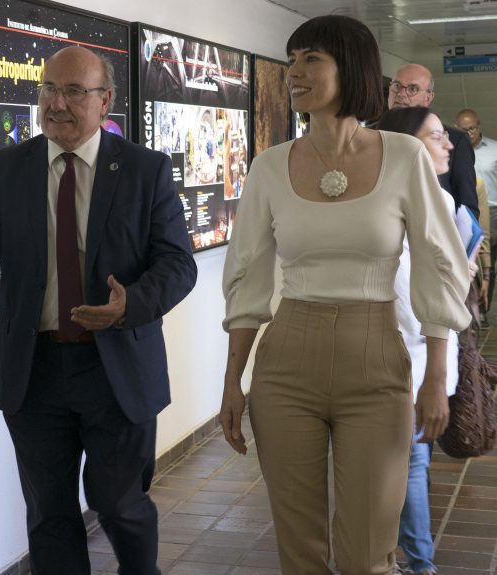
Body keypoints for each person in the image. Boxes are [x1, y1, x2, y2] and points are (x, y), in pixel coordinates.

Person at [0, 46, 197, 575]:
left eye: (73, 92)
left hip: (116, 370)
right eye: (47, 89)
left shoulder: (144, 170)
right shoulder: (10, 167)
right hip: (34, 371)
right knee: (48, 514)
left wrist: (131, 304)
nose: (56, 103)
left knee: (119, 504)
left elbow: (178, 264)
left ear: (105, 101)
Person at [219, 15, 471, 575]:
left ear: (351, 68)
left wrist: (435, 377)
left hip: (377, 362)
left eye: (312, 59)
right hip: (286, 364)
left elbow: (438, 265)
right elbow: (249, 277)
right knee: (300, 553)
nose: (295, 73)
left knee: (367, 553)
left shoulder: (404, 156)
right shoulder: (268, 167)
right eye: (292, 61)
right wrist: (233, 380)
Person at [378, 106, 464, 575]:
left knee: (410, 462)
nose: (448, 144)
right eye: (437, 137)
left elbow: (423, 294)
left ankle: (416, 563)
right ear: (409, 145)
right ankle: (410, 559)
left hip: (419, 355)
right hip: (410, 355)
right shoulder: (414, 201)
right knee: (412, 461)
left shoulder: (439, 201)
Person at [388, 64, 479, 220]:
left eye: (412, 89)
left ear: (428, 97)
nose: (401, 94)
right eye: (397, 86)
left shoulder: (456, 141)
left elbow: (467, 208)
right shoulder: (369, 135)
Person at [455, 108, 497, 311]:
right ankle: (472, 308)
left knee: (489, 258)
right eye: (464, 130)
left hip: (492, 211)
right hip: (466, 212)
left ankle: (484, 306)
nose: (469, 133)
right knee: (472, 259)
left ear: (478, 125)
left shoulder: (494, 149)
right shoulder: (453, 150)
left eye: (471, 128)